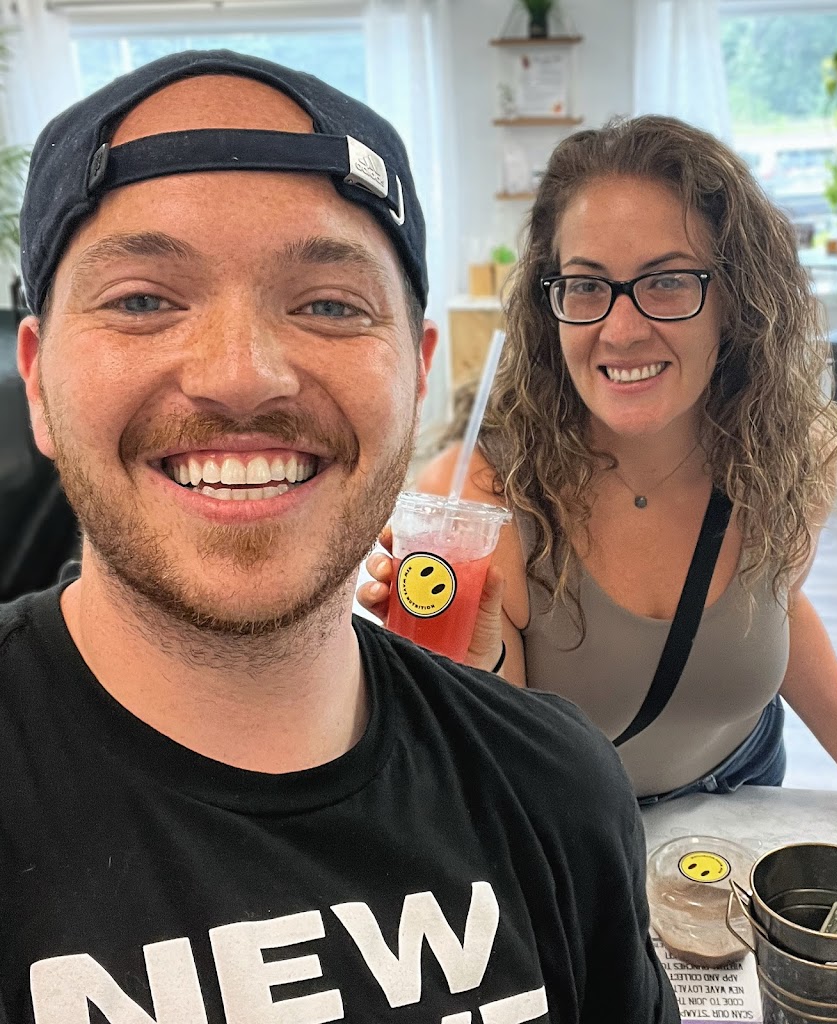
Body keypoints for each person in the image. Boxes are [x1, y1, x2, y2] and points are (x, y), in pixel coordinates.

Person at [0, 52, 678, 1023]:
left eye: (329, 304)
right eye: (143, 300)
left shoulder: (555, 785)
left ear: (417, 376)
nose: (240, 375)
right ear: (37, 380)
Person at [360, 115, 837, 813]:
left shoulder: (794, 453)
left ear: (736, 299)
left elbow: (774, 608)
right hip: (582, 816)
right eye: (586, 286)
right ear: (550, 305)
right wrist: (470, 665)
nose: (621, 331)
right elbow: (506, 764)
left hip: (746, 782)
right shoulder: (479, 497)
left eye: (668, 281)